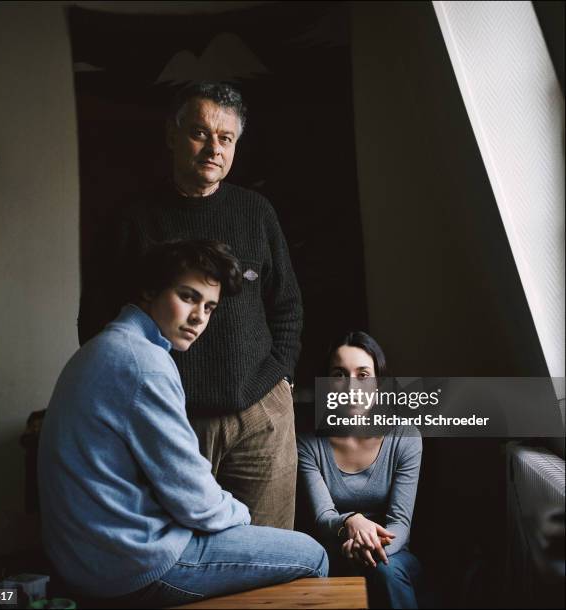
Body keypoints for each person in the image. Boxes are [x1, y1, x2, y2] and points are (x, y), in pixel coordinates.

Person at [39, 240, 327, 608]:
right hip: (128, 565)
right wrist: (243, 518)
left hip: (86, 558)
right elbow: (195, 502)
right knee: (312, 554)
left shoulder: (105, 347)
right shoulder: (144, 363)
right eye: (188, 297)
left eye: (209, 307)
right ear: (149, 290)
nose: (199, 318)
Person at [78, 82, 303, 530]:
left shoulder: (256, 211)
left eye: (226, 138)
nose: (213, 148)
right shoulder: (132, 219)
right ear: (172, 135)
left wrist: (282, 376)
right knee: (183, 556)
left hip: (262, 415)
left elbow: (288, 306)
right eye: (200, 133)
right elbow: (97, 323)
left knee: (270, 552)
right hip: (171, 421)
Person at [297, 331, 422, 609]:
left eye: (363, 375)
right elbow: (323, 517)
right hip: (333, 550)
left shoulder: (404, 437)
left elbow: (400, 524)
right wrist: (351, 521)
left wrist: (367, 547)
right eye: (340, 374)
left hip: (394, 553)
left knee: (385, 571)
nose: (352, 388)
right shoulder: (307, 443)